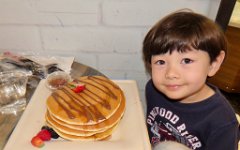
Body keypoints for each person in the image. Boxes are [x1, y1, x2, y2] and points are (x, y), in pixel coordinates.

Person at [142, 10, 239, 150]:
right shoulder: (153, 89)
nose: (171, 74)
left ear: (214, 63)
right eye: (161, 62)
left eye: (186, 60)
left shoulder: (222, 122)